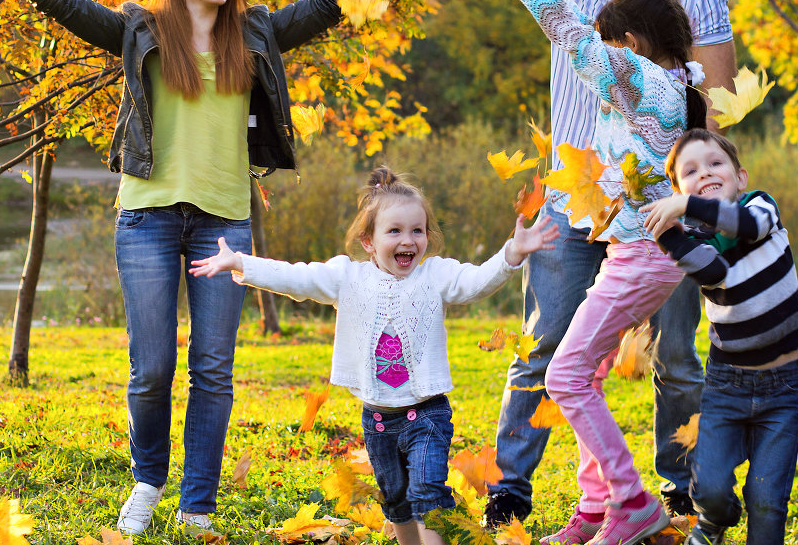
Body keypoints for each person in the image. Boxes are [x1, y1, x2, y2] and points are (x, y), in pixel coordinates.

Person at [0, 0, 420, 536]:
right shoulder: (139, 30)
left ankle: (197, 504)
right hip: (148, 218)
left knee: (213, 368)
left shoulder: (256, 33)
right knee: (153, 363)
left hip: (223, 223)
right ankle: (147, 477)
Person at [435, 0, 736, 526]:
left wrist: (708, 205)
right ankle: (516, 485)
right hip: (575, 198)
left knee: (676, 356)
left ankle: (680, 483)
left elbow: (719, 109)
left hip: (664, 214)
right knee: (550, 349)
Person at [483, 0, 708, 545]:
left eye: (612, 46)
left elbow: (572, 36)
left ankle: (631, 502)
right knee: (591, 372)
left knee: (564, 374)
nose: (601, 61)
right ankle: (595, 506)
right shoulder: (672, 85)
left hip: (643, 254)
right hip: (633, 251)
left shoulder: (640, 78)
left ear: (631, 44)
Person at [189, 166, 558, 545]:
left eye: (417, 231)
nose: (408, 240)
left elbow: (476, 282)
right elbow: (296, 277)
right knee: (396, 501)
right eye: (395, 231)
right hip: (377, 420)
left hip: (427, 416)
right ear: (369, 241)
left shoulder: (435, 276)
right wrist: (241, 264)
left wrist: (511, 253)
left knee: (426, 497)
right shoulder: (347, 277)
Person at [643, 129, 798, 545]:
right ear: (679, 191)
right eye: (691, 172)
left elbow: (747, 227)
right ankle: (714, 520)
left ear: (741, 176)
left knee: (766, 499)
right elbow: (713, 272)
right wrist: (665, 230)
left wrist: (687, 202)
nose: (705, 173)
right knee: (710, 490)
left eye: (715, 164)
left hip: (782, 388)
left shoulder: (760, 207)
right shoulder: (698, 240)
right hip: (726, 386)